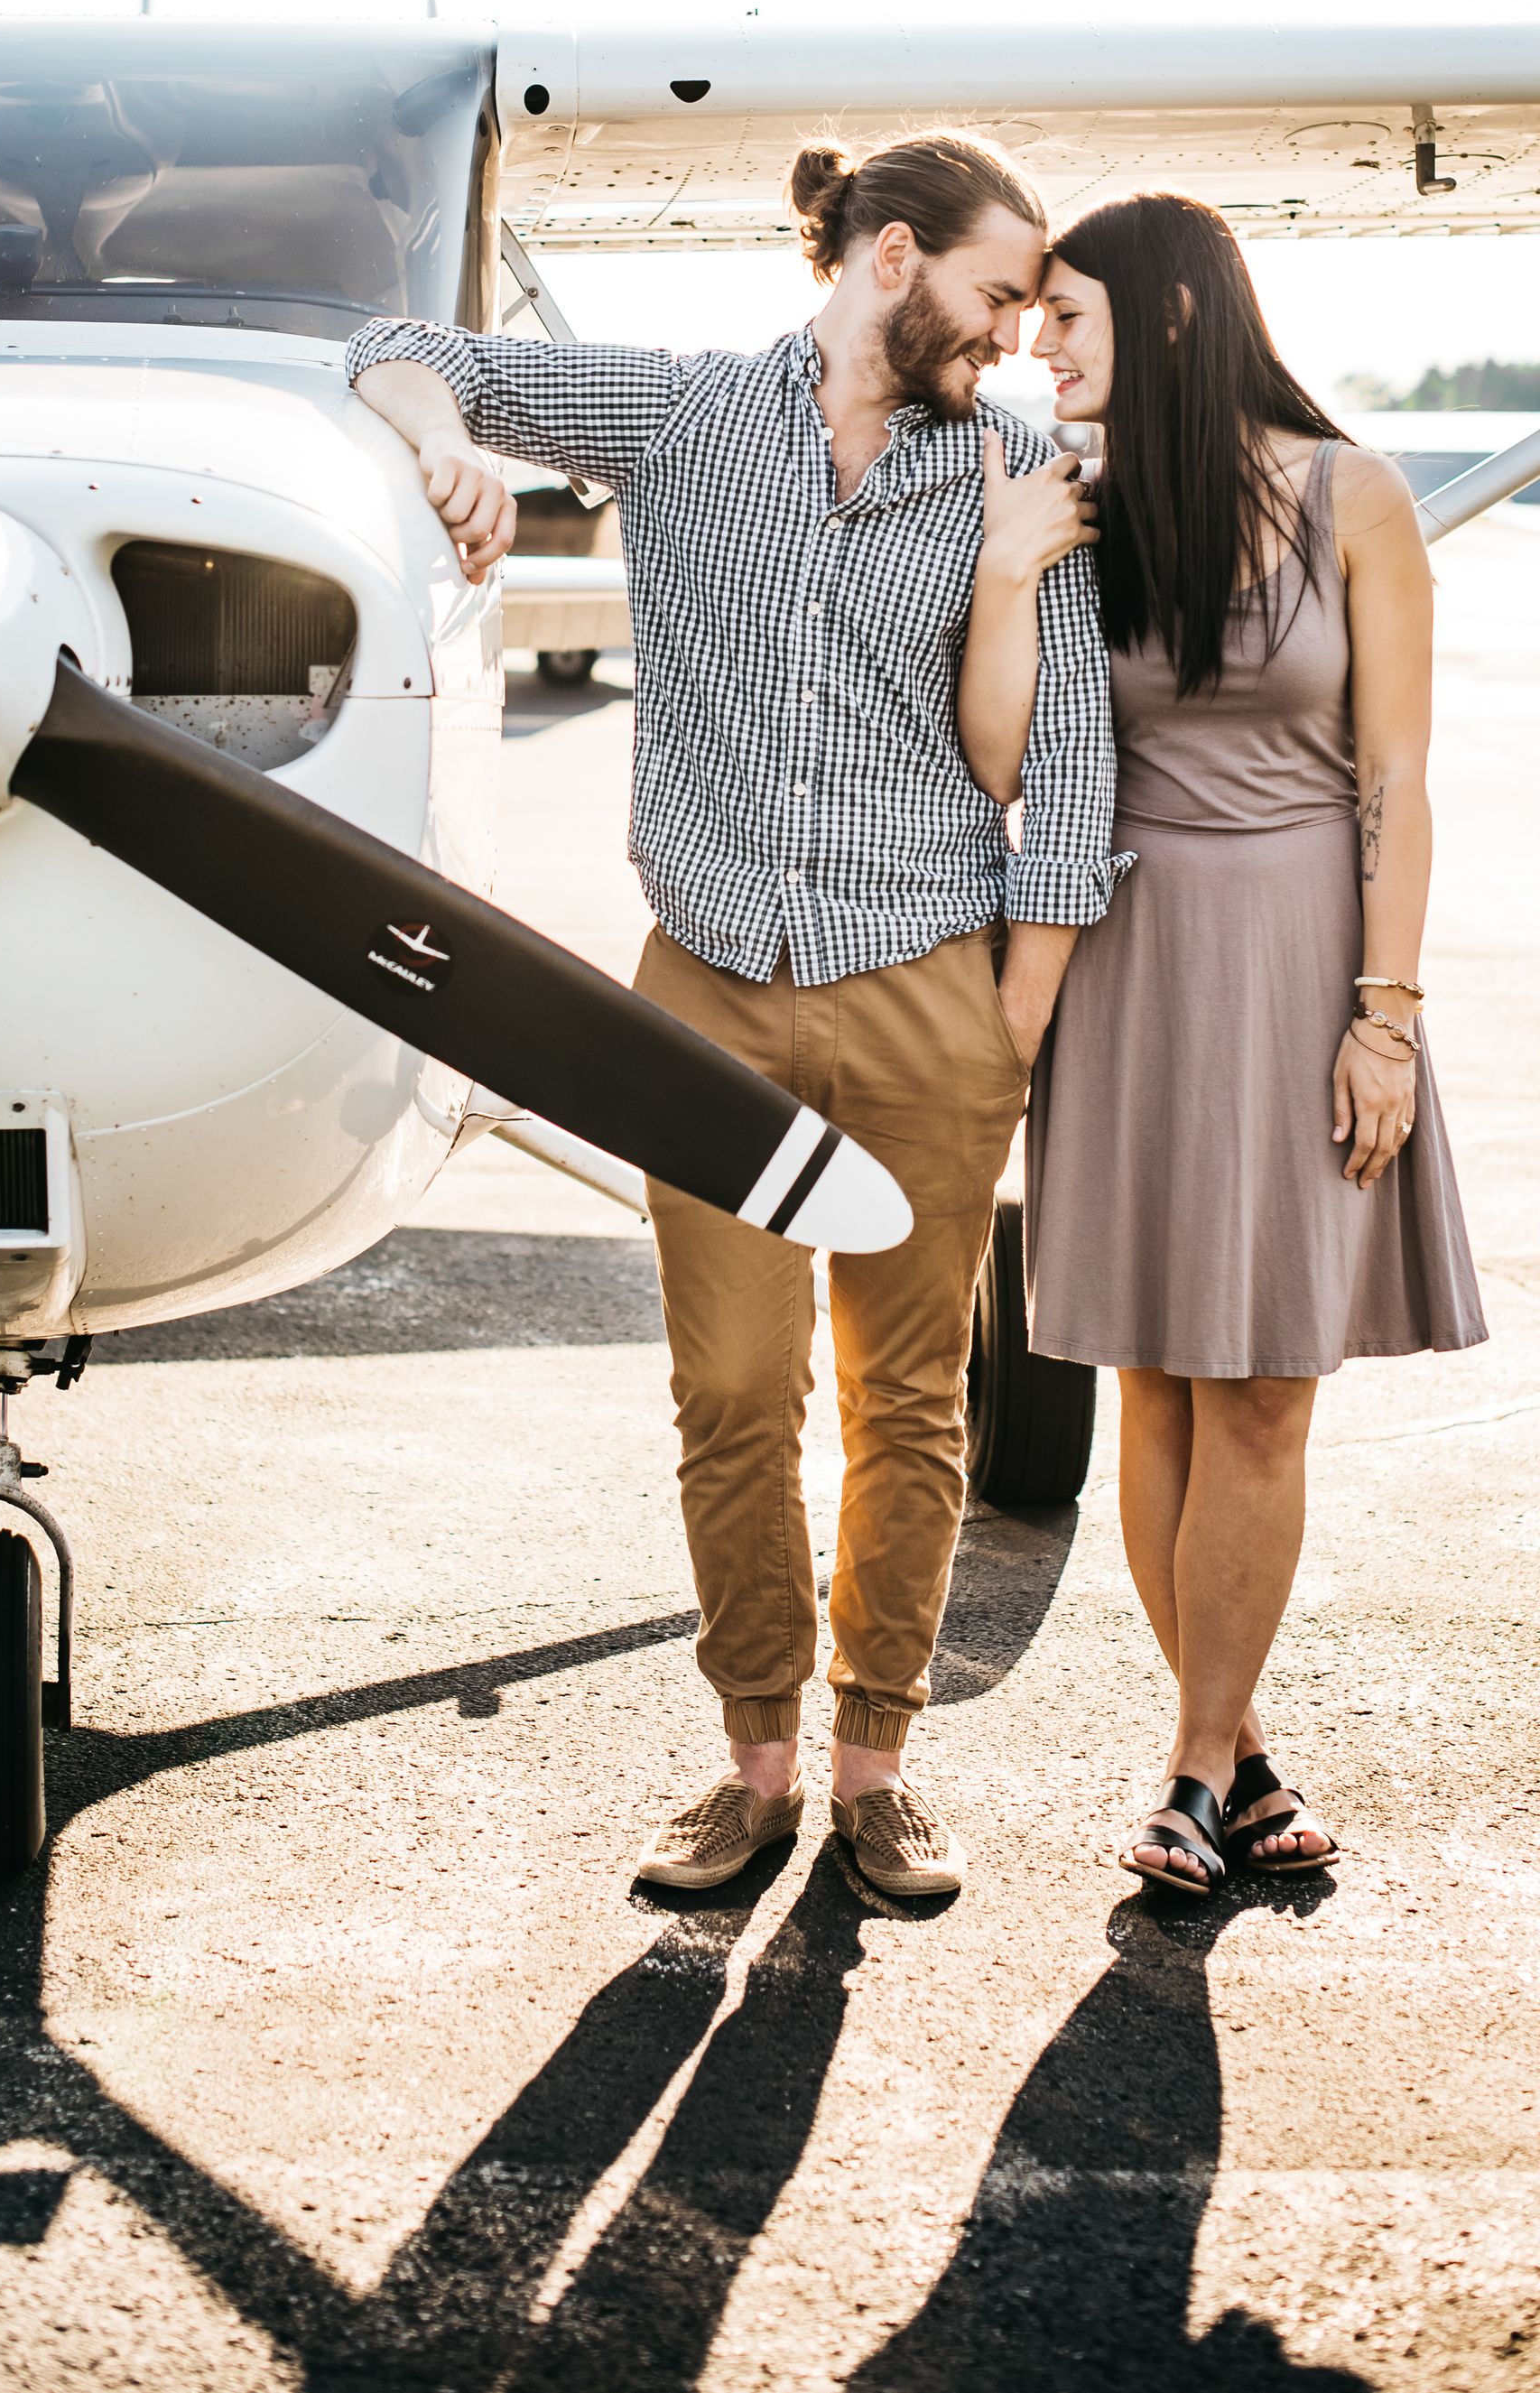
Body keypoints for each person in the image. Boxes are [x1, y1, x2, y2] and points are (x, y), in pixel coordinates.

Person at [346, 133, 1113, 1899]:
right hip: (701, 999)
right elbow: (404, 348)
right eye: (998, 294)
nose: (1013, 337)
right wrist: (445, 441)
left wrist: (1012, 1016)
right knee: (734, 1390)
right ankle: (753, 1760)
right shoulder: (680, 416)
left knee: (908, 1402)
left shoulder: (1013, 465)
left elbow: (1066, 753)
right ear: (891, 257)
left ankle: (873, 1770)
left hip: (931, 991)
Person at [957, 190, 1480, 1895]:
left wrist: (1384, 1017)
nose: (1039, 348)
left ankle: (1190, 1764)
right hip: (1129, 965)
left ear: (1172, 324)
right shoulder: (1084, 508)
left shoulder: (1357, 496)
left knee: (1265, 1388)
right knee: (1161, 1384)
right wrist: (1012, 569)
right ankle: (1234, 1755)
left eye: (1070, 321)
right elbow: (1003, 756)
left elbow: (1396, 778)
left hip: (1304, 958)